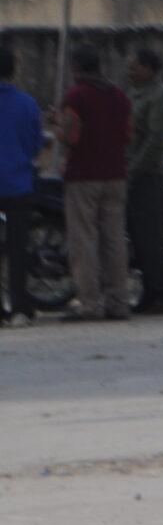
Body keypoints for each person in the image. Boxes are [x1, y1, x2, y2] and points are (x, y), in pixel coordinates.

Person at [53, 44, 133, 321]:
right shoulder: (120, 96)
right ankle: (119, 300)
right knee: (114, 239)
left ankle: (88, 302)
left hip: (83, 176)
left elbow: (70, 136)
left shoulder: (75, 97)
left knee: (84, 239)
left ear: (76, 67)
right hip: (116, 174)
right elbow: (127, 134)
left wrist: (58, 125)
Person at [123, 49, 163, 316]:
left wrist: (132, 171)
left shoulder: (160, 97)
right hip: (133, 174)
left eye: (135, 68)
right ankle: (149, 293)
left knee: (151, 239)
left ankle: (162, 294)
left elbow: (155, 142)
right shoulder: (134, 95)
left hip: (148, 176)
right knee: (137, 237)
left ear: (149, 69)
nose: (130, 72)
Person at [0, 49, 43, 325]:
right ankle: (19, 307)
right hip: (17, 184)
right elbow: (35, 144)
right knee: (18, 249)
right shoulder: (27, 104)